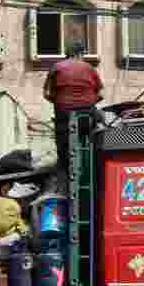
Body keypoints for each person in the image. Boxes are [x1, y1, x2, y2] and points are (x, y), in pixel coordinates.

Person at [42, 41, 105, 181]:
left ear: (68, 53)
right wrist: (89, 102)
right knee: (99, 126)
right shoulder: (89, 68)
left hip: (63, 114)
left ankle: (65, 171)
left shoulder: (56, 67)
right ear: (80, 54)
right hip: (87, 113)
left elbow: (46, 93)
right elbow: (102, 94)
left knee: (63, 146)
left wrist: (59, 102)